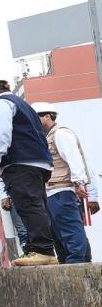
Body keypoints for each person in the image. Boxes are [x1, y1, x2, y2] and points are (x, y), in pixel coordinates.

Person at [0, 80, 57, 266]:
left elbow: (2, 131)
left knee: (28, 205)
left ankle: (43, 250)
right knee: (34, 206)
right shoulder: (23, 106)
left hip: (20, 162)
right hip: (36, 162)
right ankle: (36, 248)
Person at [30, 102, 95, 264]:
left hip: (62, 191)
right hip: (52, 193)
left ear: (47, 116)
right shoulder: (46, 137)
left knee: (70, 231)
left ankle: (77, 264)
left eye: (36, 117)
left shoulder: (61, 134)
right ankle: (68, 263)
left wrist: (79, 184)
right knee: (58, 233)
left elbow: (75, 160)